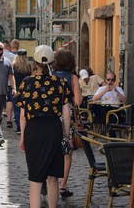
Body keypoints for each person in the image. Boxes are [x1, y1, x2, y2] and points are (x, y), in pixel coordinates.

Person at [17, 45, 72, 208]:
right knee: (53, 177)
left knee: (35, 178)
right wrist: (66, 136)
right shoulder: (60, 83)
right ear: (52, 61)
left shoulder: (27, 83)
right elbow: (66, 114)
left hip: (33, 130)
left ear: (35, 61)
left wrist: (22, 138)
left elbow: (22, 116)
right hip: (53, 129)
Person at [51, 49, 83, 199]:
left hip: (51, 116)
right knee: (66, 152)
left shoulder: (50, 76)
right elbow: (77, 101)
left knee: (50, 150)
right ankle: (63, 186)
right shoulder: (72, 78)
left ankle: (49, 182)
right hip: (67, 117)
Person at [11, 49, 31, 134]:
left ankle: (19, 127)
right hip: (27, 89)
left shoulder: (14, 65)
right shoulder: (29, 65)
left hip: (17, 89)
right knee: (26, 109)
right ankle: (25, 126)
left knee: (17, 109)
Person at [3, 39, 20, 128]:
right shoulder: (13, 56)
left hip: (2, 83)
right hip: (11, 82)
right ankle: (11, 118)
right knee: (12, 101)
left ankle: (8, 119)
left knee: (8, 101)